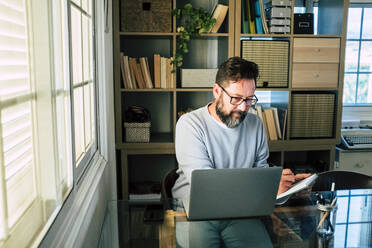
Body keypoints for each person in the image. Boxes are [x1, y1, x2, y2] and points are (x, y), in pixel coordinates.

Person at [172, 56, 310, 201]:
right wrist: (269, 185)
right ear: (217, 91)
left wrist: (288, 188)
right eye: (236, 98)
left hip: (243, 205)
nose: (243, 107)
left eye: (249, 99)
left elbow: (260, 174)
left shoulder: (255, 124)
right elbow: (206, 186)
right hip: (193, 207)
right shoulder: (190, 124)